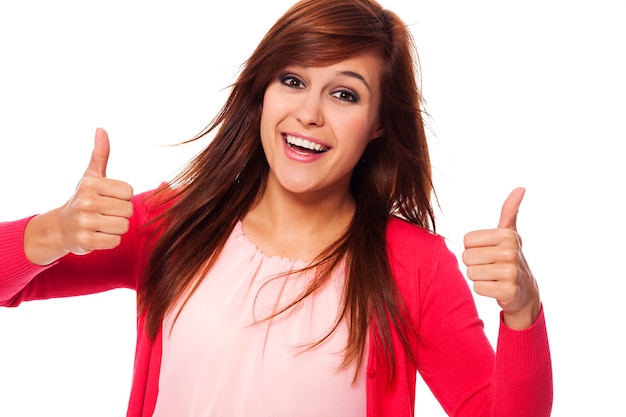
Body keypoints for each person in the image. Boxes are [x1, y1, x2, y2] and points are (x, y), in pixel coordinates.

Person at [0, 0, 553, 416]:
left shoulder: (415, 267)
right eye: (293, 80)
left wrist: (522, 311)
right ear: (263, 91)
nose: (309, 113)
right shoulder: (174, 222)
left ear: (379, 123)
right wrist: (55, 231)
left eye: (345, 94)